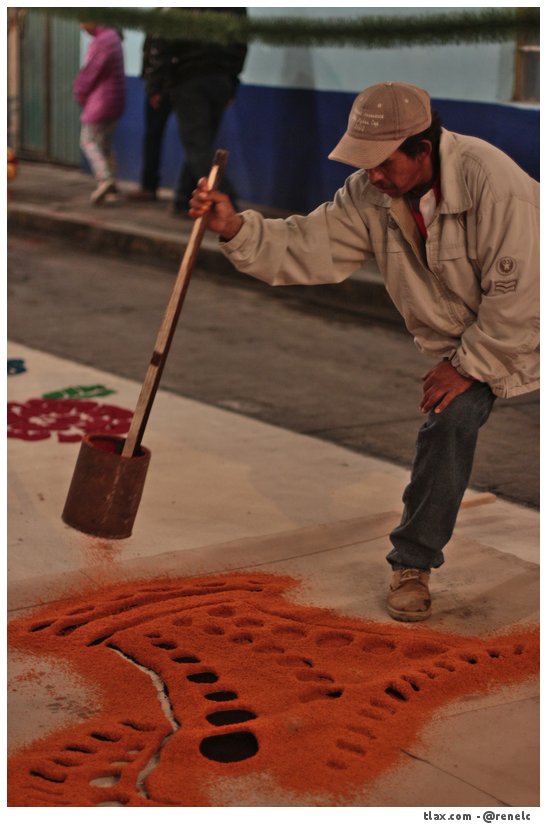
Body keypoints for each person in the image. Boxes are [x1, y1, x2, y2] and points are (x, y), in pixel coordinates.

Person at [189, 81, 539, 622]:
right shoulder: (371, 193)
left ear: (422, 149)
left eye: (383, 163)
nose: (372, 175)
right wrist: (235, 227)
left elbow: (523, 295)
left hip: (525, 317)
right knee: (448, 420)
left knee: (461, 394)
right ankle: (412, 565)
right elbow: (309, 245)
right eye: (365, 162)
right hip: (479, 337)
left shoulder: (491, 182)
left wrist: (468, 366)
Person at [129, 7, 247, 213]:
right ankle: (183, 199)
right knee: (200, 145)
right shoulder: (234, 7)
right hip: (220, 80)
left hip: (189, 79)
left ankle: (229, 205)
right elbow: (240, 44)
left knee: (197, 148)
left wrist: (156, 85)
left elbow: (164, 42)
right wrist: (232, 82)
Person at [73, 23, 125, 205]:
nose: (82, 27)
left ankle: (105, 178)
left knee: (88, 141)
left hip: (101, 102)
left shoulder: (102, 42)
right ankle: (112, 186)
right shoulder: (114, 37)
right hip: (116, 101)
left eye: (83, 21)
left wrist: (79, 93)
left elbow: (89, 73)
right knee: (105, 145)